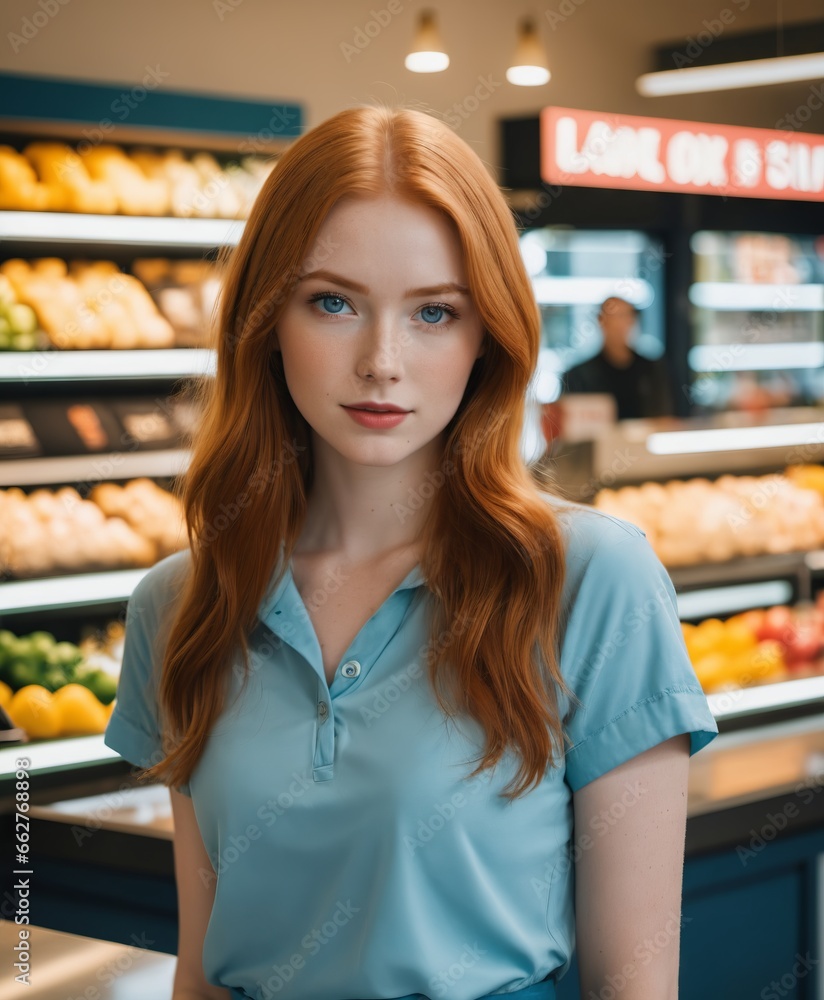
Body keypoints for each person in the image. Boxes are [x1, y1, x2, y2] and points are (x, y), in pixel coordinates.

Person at [104, 104, 719, 1000]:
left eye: (433, 312)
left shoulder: (590, 581)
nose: (381, 360)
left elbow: (633, 986)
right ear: (267, 321)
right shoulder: (182, 604)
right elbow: (202, 971)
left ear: (489, 335)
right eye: (333, 302)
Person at [562, 296, 674, 420]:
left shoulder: (652, 370)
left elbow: (664, 417)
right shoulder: (578, 376)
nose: (620, 324)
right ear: (601, 320)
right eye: (615, 317)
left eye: (626, 316)